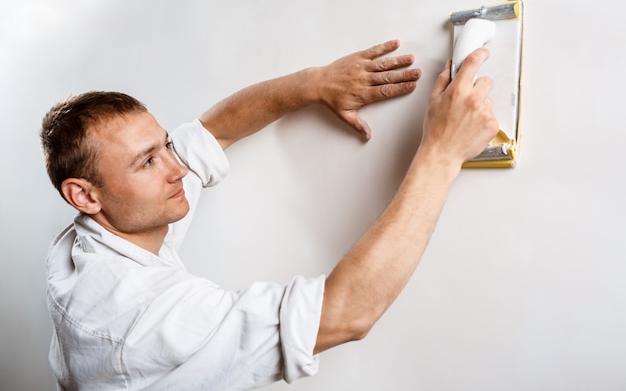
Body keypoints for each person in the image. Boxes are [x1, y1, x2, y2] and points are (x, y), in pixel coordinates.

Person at [41, 40, 497, 391]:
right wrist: (442, 153)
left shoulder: (99, 235)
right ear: (83, 196)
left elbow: (212, 131)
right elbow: (345, 313)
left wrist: (315, 83)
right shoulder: (144, 315)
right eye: (147, 161)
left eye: (163, 145)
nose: (176, 166)